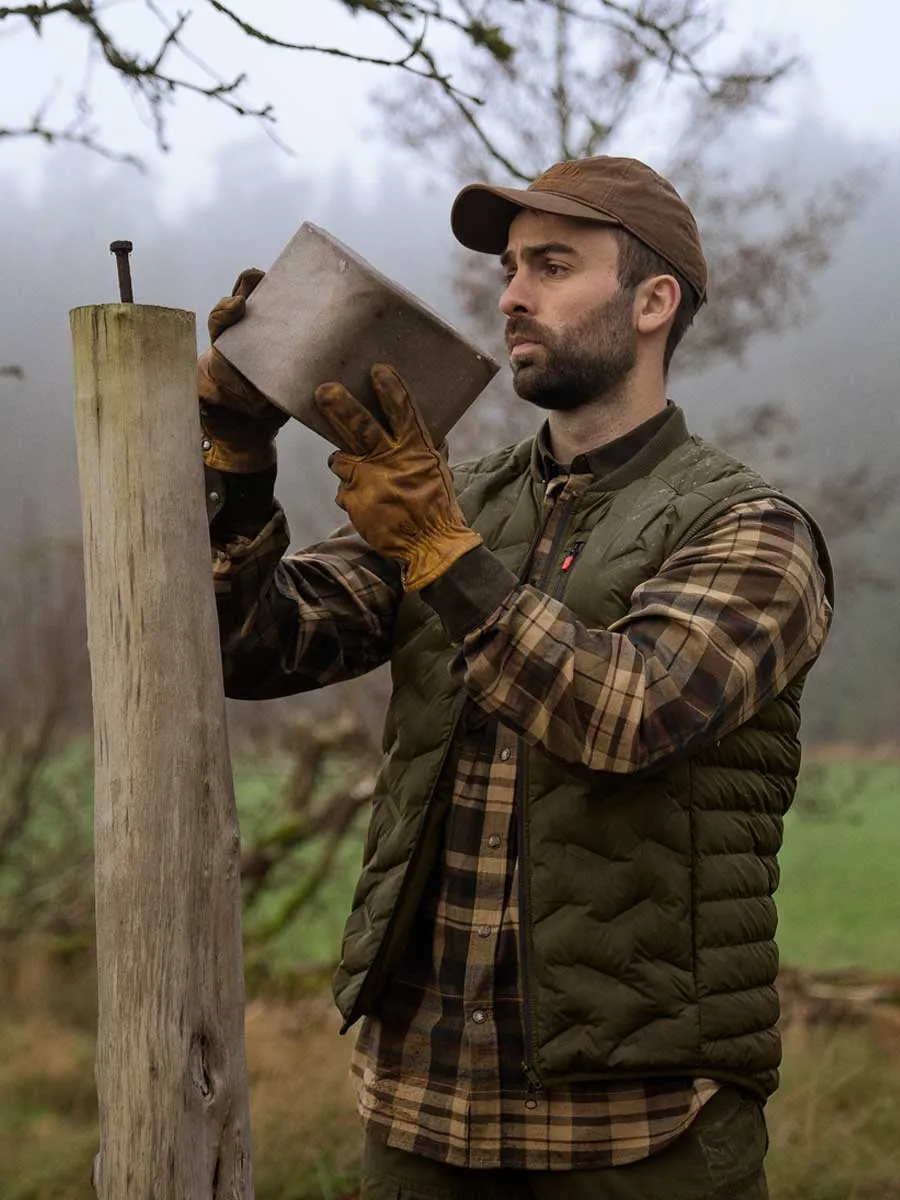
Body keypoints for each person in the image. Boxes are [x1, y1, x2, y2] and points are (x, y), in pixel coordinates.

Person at [198, 156, 833, 1199]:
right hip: (418, 1114)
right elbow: (253, 646)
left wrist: (440, 550)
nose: (512, 296)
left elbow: (628, 713)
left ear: (652, 302)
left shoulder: (753, 533)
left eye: (552, 265)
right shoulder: (453, 500)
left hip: (640, 1133)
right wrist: (233, 451)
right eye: (508, 269)